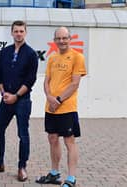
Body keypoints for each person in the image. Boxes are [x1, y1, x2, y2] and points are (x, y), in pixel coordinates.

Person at [0, 20, 38, 182]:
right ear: (11, 33)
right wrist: (4, 93)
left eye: (21, 31)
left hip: (22, 101)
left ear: (25, 33)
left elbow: (30, 80)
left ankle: (22, 167)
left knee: (23, 134)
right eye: (16, 31)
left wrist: (16, 96)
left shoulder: (31, 54)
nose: (18, 34)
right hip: (6, 99)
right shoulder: (5, 52)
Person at [35, 27, 87, 187]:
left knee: (69, 141)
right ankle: (54, 173)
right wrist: (49, 98)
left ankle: (71, 178)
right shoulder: (52, 58)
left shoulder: (77, 57)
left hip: (67, 108)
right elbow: (46, 81)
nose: (62, 41)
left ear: (70, 39)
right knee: (52, 139)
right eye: (59, 38)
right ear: (54, 40)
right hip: (50, 107)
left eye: (65, 38)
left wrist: (57, 100)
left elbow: (75, 83)